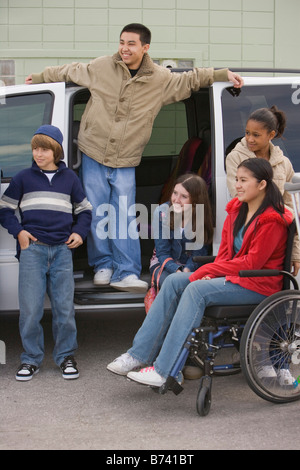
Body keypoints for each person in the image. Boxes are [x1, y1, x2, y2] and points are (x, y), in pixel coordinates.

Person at [25, 23, 243, 293]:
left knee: (124, 215)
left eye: (131, 44)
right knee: (96, 211)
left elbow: (191, 79)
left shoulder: (160, 79)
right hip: (93, 151)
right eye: (121, 42)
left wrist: (223, 73)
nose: (124, 48)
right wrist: (39, 76)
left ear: (145, 48)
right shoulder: (102, 66)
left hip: (126, 158)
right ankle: (103, 265)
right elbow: (69, 70)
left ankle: (125, 271)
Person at [107, 158, 294, 388]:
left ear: (262, 184)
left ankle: (163, 370)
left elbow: (252, 262)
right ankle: (138, 355)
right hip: (234, 279)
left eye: (244, 181)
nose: (237, 185)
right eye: (237, 179)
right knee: (175, 280)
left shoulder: (272, 220)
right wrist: (213, 273)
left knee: (196, 289)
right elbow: (225, 254)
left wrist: (208, 271)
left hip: (257, 285)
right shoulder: (236, 210)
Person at [0, 125, 92, 381]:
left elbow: (85, 210)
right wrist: (19, 232)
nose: (38, 154)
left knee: (64, 309)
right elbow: (4, 209)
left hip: (62, 251)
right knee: (30, 310)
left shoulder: (70, 179)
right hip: (33, 251)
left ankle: (66, 357)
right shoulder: (22, 179)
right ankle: (31, 359)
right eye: (35, 149)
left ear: (56, 151)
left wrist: (80, 233)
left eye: (43, 149)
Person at [226, 105, 300, 275]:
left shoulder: (284, 163)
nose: (249, 139)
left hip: (278, 240)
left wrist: (295, 252)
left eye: (256, 135)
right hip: (250, 235)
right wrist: (281, 210)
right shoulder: (235, 157)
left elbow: (293, 210)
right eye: (247, 133)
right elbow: (238, 198)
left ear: (271, 135)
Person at [149, 173, 213, 288]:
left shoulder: (201, 216)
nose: (176, 200)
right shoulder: (162, 212)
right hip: (164, 263)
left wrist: (186, 271)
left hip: (191, 265)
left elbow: (198, 254)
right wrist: (177, 272)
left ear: (195, 200)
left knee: (190, 286)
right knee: (171, 284)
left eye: (184, 196)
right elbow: (162, 253)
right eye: (175, 193)